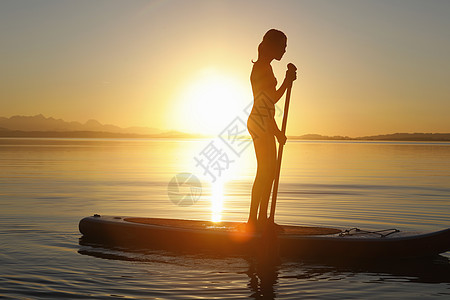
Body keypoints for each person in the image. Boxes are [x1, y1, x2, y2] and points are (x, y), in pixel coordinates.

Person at [247, 29, 297, 230]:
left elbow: (267, 108)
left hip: (264, 122)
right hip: (259, 123)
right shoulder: (261, 68)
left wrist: (276, 132)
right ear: (272, 45)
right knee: (265, 172)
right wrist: (287, 81)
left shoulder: (266, 67)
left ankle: (263, 220)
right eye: (282, 46)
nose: (285, 50)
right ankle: (255, 221)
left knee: (270, 173)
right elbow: (270, 100)